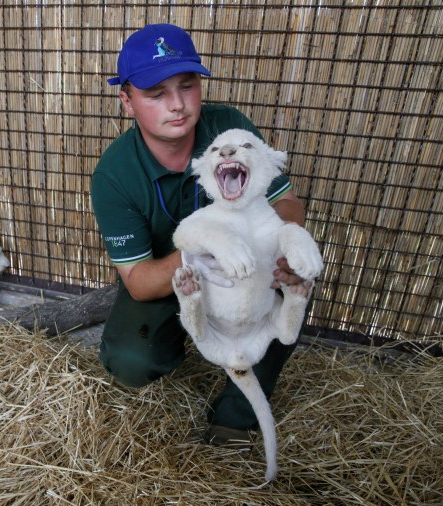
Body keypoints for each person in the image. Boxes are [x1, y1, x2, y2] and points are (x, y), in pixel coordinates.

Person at [91, 23, 309, 446]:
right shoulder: (113, 175)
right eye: (156, 94)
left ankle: (234, 418)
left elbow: (289, 204)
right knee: (130, 362)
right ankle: (179, 346)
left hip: (247, 265)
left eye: (187, 86)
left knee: (292, 287)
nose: (177, 105)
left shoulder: (229, 127)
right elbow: (138, 281)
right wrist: (197, 258)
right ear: (127, 101)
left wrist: (274, 247)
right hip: (173, 277)